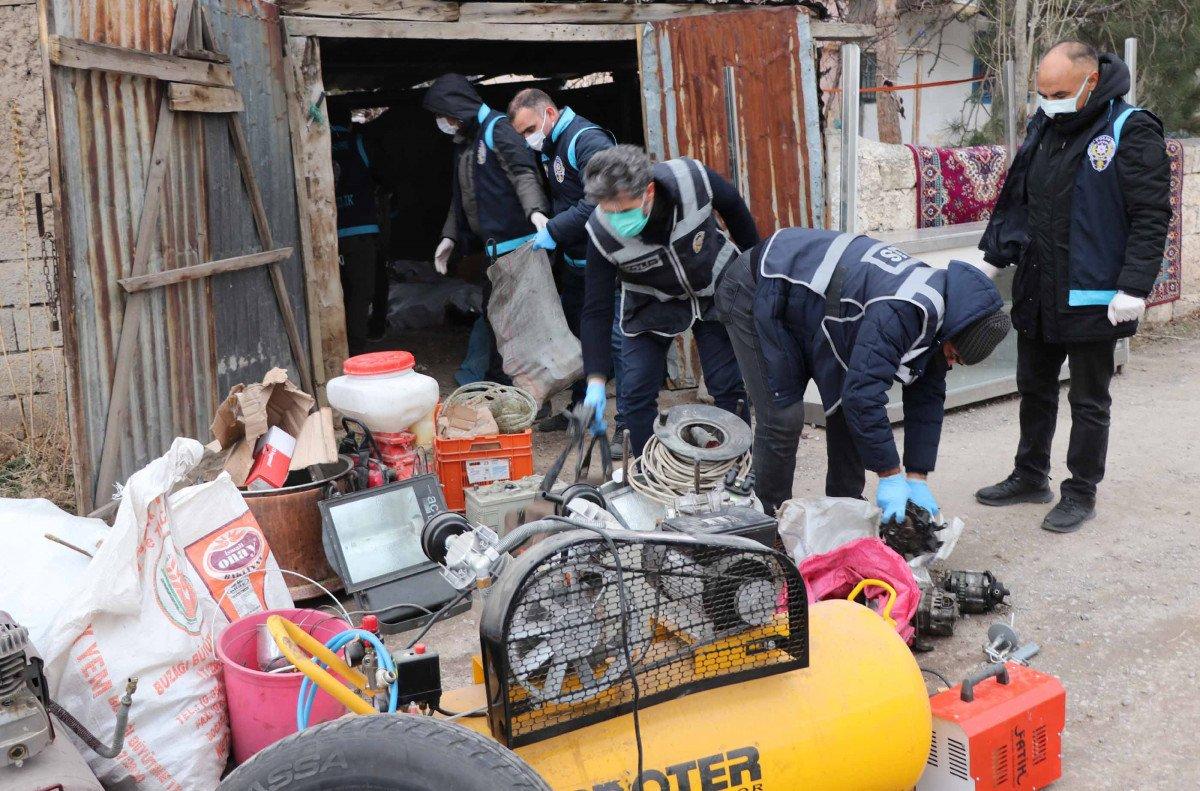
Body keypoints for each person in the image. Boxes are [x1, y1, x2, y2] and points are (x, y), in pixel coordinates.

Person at [975, 42, 1170, 533]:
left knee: (1088, 400)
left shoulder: (1131, 129)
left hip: (1093, 294)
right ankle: (1029, 474)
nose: (1049, 101)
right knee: (1034, 389)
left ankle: (1080, 491)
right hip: (1040, 284)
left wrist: (1134, 286)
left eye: (1059, 92)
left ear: (1090, 81)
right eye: (1042, 93)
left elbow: (1150, 215)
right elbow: (1021, 194)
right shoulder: (1046, 125)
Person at [715, 228, 1011, 520]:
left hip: (813, 305)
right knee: (783, 417)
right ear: (954, 335)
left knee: (845, 412)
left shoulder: (945, 317)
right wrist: (890, 475)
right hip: (758, 285)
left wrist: (917, 477)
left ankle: (844, 515)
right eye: (954, 356)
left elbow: (927, 397)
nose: (949, 364)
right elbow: (863, 395)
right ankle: (767, 522)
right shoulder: (904, 309)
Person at [578, 145, 759, 456]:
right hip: (651, 300)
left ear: (648, 191)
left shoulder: (693, 180)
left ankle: (737, 468)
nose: (616, 220)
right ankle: (652, 474)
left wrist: (758, 270)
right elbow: (595, 309)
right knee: (634, 396)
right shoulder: (600, 231)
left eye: (624, 211)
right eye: (608, 211)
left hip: (714, 283)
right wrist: (594, 379)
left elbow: (736, 210)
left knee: (727, 384)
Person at [422, 74, 551, 384]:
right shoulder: (466, 140)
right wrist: (450, 236)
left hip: (522, 247)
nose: (442, 122)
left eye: (444, 115)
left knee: (519, 325)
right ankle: (496, 383)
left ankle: (525, 390)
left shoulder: (499, 129)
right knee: (497, 319)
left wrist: (535, 212)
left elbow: (524, 173)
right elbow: (462, 195)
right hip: (495, 250)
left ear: (457, 109)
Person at [507, 88, 621, 434]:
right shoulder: (553, 145)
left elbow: (602, 201)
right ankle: (579, 411)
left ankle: (628, 425)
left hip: (609, 262)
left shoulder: (586, 141)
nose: (528, 140)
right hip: (577, 263)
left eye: (530, 130)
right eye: (522, 134)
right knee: (579, 339)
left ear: (550, 114)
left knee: (618, 343)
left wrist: (554, 230)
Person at [331, 108, 381, 356]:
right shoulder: (359, 142)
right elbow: (381, 176)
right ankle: (356, 350)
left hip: (331, 233)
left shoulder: (319, 144)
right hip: (361, 229)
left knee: (336, 291)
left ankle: (335, 347)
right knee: (360, 294)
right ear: (349, 123)